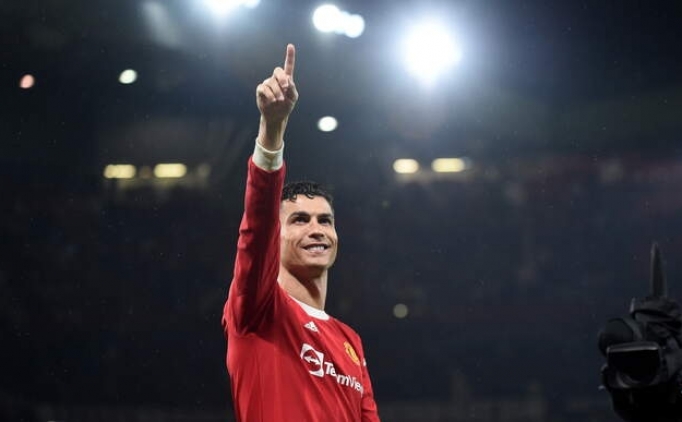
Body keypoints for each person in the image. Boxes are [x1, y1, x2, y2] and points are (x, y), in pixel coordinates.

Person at [222, 44, 381, 422]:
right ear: (275, 236)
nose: (316, 230)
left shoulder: (350, 342)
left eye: (325, 220)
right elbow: (257, 225)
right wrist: (272, 129)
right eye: (299, 220)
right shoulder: (257, 310)